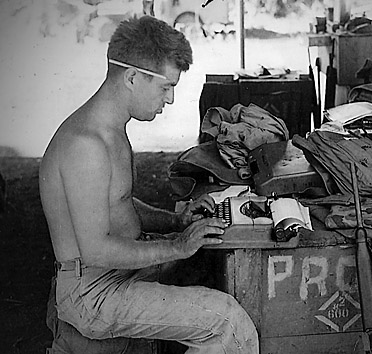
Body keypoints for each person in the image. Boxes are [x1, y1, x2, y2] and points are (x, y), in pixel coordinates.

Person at [39, 15, 259, 354]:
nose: (169, 100)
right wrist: (176, 246)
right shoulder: (86, 145)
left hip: (112, 275)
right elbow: (95, 249)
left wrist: (177, 221)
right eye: (165, 87)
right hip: (93, 292)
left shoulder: (110, 130)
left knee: (206, 266)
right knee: (227, 322)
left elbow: (117, 202)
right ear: (131, 77)